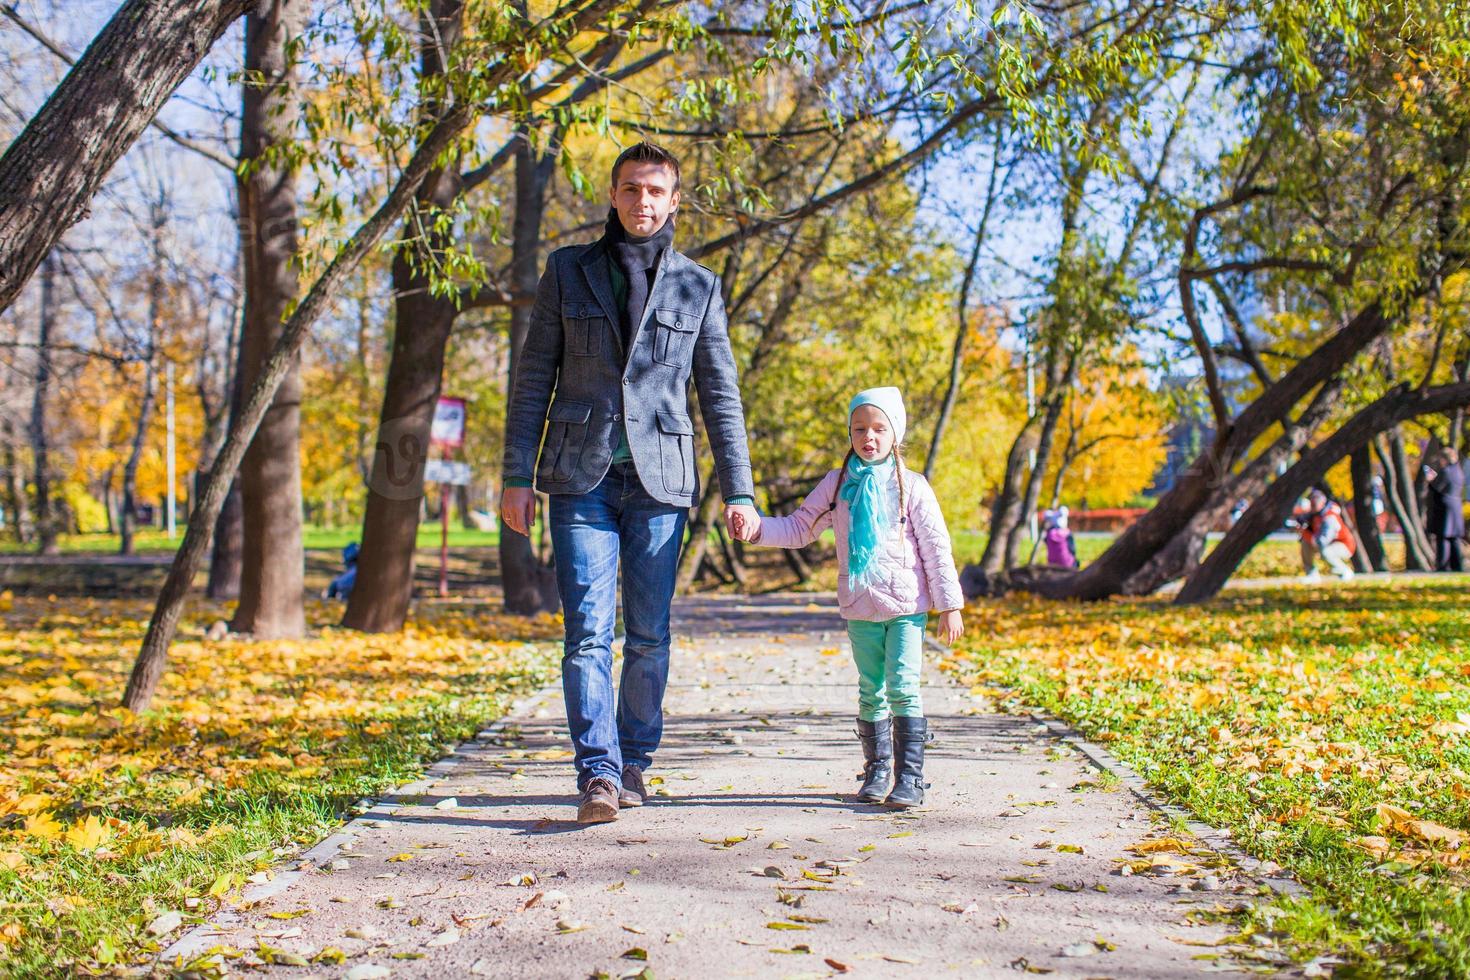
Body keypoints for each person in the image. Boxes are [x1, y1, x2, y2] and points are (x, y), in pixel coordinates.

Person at [500, 142, 759, 824]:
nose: (642, 201)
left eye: (655, 191)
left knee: (648, 635)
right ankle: (597, 775)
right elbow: (533, 378)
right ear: (612, 195)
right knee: (586, 633)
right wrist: (514, 476)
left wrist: (740, 489)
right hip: (579, 477)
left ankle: (635, 760)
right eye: (631, 189)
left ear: (675, 201)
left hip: (661, 483)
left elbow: (719, 392)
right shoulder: (567, 272)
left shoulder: (697, 286)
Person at [736, 387, 964, 808]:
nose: (869, 437)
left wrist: (950, 606)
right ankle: (877, 771)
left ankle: (910, 778)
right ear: (850, 433)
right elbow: (801, 527)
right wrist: (757, 530)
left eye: (879, 428)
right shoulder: (838, 484)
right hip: (860, 604)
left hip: (906, 607)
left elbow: (936, 547)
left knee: (903, 686)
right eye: (860, 429)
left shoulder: (912, 487)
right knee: (870, 689)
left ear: (896, 433)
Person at [1300, 488, 1355, 582]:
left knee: (1326, 551)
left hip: (1344, 545)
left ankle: (1345, 571)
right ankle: (1312, 575)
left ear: (1322, 503)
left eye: (1314, 504)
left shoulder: (1329, 517)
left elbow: (1323, 541)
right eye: (1311, 503)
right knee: (1305, 544)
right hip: (1328, 543)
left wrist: (1305, 533)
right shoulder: (1315, 515)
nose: (1312, 507)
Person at [1424, 446, 1465, 572]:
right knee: (1454, 539)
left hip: (1444, 508)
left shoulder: (1446, 471)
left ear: (1444, 459)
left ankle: (1442, 565)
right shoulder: (1458, 471)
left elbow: (1436, 487)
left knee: (1442, 538)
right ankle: (1457, 565)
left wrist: (1430, 480)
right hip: (1456, 507)